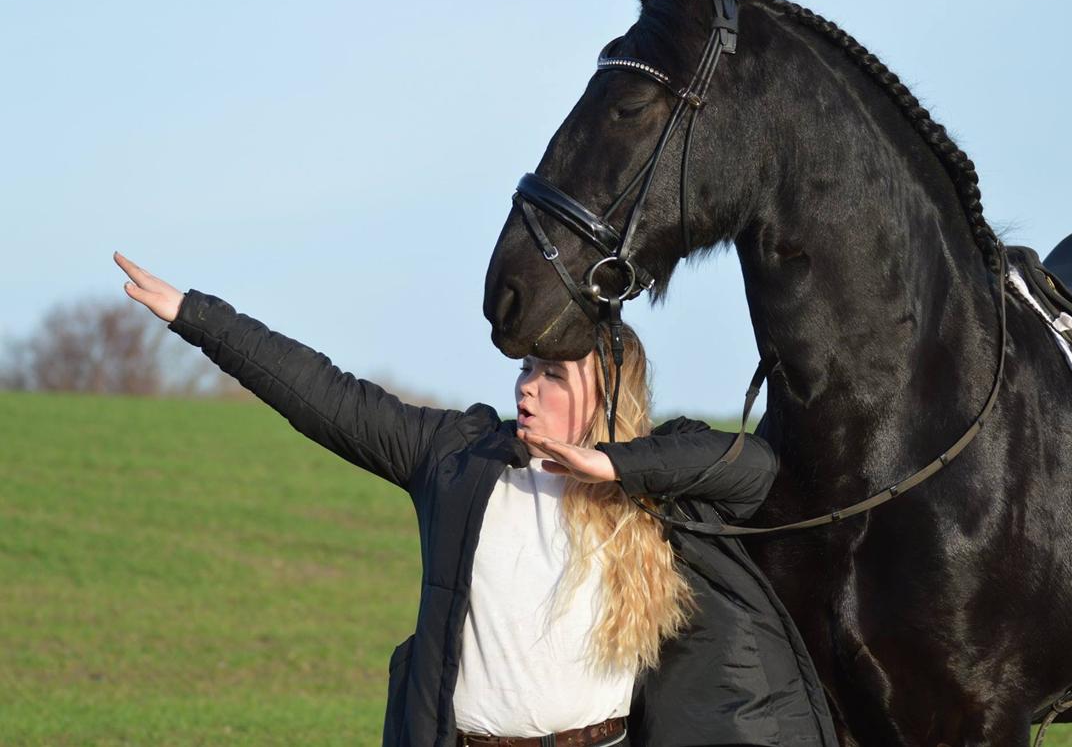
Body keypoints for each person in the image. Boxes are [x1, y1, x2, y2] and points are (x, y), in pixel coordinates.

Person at [113, 250, 837, 747]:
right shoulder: (457, 458)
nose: (528, 386)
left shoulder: (653, 484)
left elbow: (756, 470)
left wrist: (610, 465)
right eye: (526, 369)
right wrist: (195, 317)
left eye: (553, 374)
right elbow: (326, 396)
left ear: (607, 393)